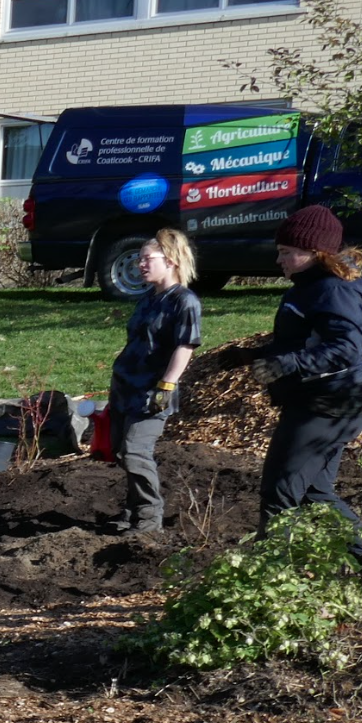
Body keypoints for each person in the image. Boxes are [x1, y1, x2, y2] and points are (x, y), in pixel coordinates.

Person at [247, 205, 362, 577]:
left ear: (315, 252)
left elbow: (345, 348)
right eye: (280, 251)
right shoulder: (311, 286)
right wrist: (254, 356)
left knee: (280, 493)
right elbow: (306, 339)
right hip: (323, 401)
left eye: (288, 252)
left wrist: (286, 365)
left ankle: (267, 581)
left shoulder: (333, 289)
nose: (279, 259)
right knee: (313, 494)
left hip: (328, 405)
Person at [106, 229, 203, 535]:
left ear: (172, 260)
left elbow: (185, 346)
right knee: (122, 452)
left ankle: (149, 519)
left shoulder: (184, 302)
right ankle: (133, 510)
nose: (140, 265)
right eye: (139, 259)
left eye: (148, 258)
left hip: (152, 391)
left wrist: (167, 385)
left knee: (136, 451)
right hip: (125, 386)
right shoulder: (149, 298)